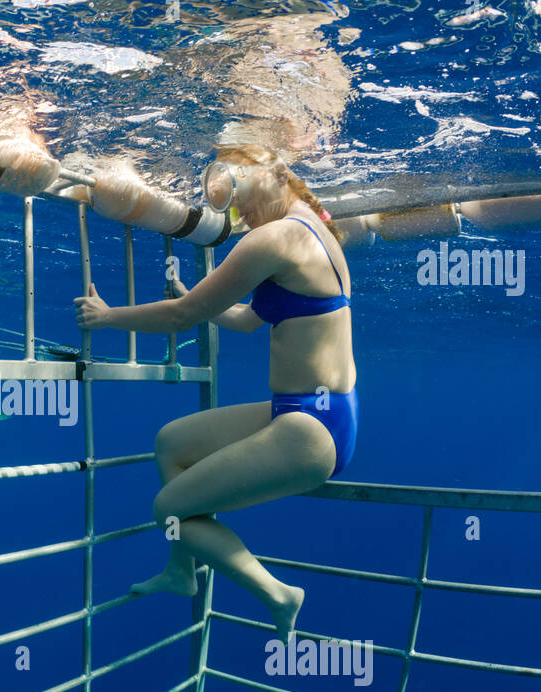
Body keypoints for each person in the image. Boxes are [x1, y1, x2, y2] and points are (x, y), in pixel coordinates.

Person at [72, 143, 357, 644]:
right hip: (316, 413)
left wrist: (109, 317)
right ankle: (181, 570)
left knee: (169, 509)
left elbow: (182, 320)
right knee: (173, 443)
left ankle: (278, 593)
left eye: (238, 189)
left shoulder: (277, 237)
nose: (236, 210)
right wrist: (194, 297)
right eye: (224, 199)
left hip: (310, 431)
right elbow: (248, 320)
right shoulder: (314, 228)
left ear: (278, 172)